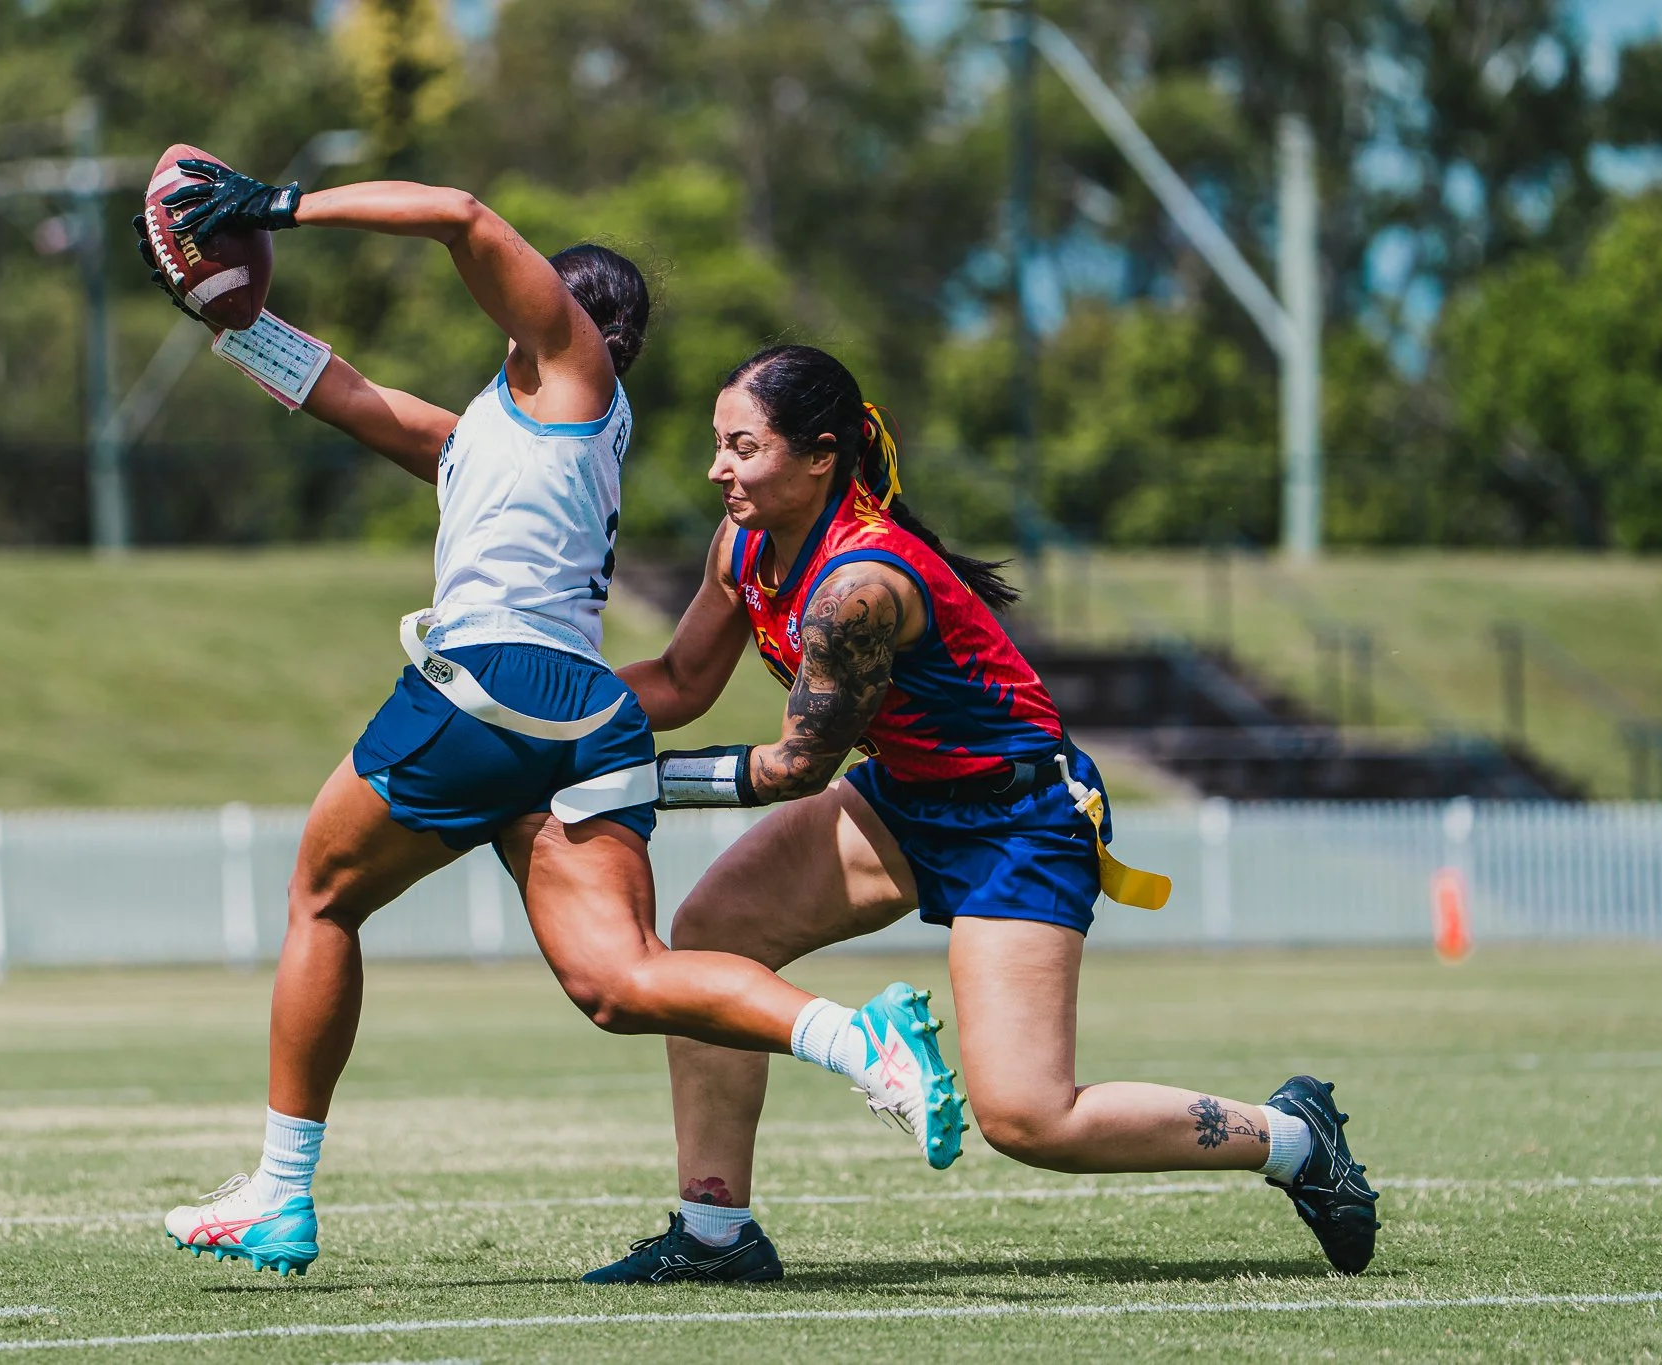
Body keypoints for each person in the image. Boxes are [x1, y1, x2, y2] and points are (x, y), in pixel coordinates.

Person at [130, 170, 965, 1278]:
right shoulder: (511, 439)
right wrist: (229, 323)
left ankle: (281, 1192)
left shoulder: (566, 373)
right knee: (619, 984)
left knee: (320, 899)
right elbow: (352, 395)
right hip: (582, 713)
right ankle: (855, 1042)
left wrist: (277, 204)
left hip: (489, 685)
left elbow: (462, 217)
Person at [584, 344, 1379, 1285]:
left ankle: (1293, 1138)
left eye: (744, 447)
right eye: (718, 444)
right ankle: (716, 1234)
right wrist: (550, 714)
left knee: (1027, 1118)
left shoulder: (859, 589)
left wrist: (622, 777)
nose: (719, 469)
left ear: (819, 455)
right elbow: (678, 681)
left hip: (1017, 821)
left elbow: (796, 765)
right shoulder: (742, 545)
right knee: (713, 933)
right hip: (905, 798)